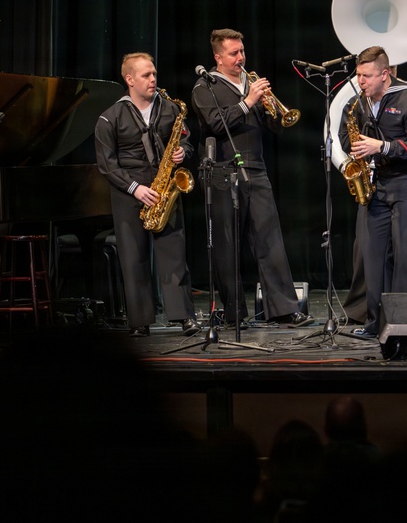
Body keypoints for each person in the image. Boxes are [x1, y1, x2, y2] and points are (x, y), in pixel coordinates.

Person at [191, 28, 309, 328]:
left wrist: (271, 110)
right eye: (234, 53)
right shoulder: (205, 87)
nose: (241, 58)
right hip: (221, 172)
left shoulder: (250, 82)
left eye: (242, 51)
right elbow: (215, 123)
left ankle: (284, 309)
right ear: (218, 57)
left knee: (269, 239)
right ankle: (234, 314)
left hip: (255, 167)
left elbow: (276, 127)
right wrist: (248, 101)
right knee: (226, 244)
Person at [94, 53, 200, 337]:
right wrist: (135, 188)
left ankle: (183, 316)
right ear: (129, 80)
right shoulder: (109, 117)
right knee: (133, 257)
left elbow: (187, 141)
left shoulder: (169, 109)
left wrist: (183, 152)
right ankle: (140, 322)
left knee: (174, 254)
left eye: (154, 74)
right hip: (130, 190)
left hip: (164, 187)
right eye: (146, 75)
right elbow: (107, 164)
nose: (153, 79)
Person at [339, 46, 407, 338]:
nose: (361, 82)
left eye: (366, 76)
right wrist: (354, 147)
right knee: (373, 255)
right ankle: (375, 322)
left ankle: (405, 324)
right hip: (379, 183)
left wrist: (381, 146)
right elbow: (346, 137)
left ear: (385, 74)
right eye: (358, 75)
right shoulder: (358, 104)